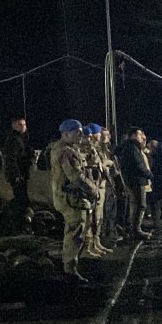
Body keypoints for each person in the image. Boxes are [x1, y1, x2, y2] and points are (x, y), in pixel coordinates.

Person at [49, 120, 94, 283]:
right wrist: (92, 189)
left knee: (75, 232)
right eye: (77, 132)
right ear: (66, 134)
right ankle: (70, 270)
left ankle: (69, 266)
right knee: (75, 233)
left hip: (66, 197)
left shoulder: (60, 148)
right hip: (71, 199)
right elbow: (76, 177)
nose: (81, 135)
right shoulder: (66, 151)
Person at [77, 124, 110, 257]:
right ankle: (88, 246)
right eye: (89, 136)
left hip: (98, 184)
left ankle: (95, 242)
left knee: (97, 217)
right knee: (89, 220)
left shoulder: (95, 148)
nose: (91, 139)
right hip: (90, 187)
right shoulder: (83, 149)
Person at [117, 127, 154, 240]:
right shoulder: (132, 148)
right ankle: (136, 231)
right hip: (136, 180)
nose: (142, 136)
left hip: (135, 180)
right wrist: (150, 175)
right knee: (140, 205)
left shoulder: (132, 147)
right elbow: (139, 165)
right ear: (133, 135)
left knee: (137, 205)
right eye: (139, 134)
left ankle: (135, 229)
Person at [2, 115, 33, 214]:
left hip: (21, 174)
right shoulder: (14, 139)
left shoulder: (21, 138)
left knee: (22, 197)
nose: (23, 126)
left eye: (24, 124)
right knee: (21, 199)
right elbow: (11, 159)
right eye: (20, 124)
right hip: (18, 175)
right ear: (14, 126)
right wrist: (16, 175)